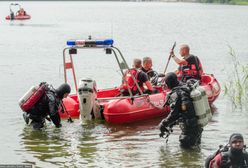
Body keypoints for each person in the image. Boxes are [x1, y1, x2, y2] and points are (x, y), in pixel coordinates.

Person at [159, 72, 203, 148]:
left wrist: (163, 124)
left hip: (188, 129)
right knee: (196, 149)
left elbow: (174, 114)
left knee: (186, 153)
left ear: (169, 84)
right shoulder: (186, 87)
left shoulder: (176, 94)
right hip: (197, 125)